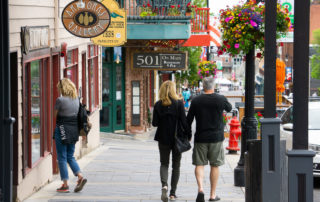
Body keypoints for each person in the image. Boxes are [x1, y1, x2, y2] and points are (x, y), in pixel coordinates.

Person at [187, 77, 232, 202]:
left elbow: (189, 119)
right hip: (216, 138)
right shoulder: (220, 99)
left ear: (203, 86)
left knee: (199, 164)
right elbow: (229, 108)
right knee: (215, 165)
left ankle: (201, 189)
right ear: (213, 86)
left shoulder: (196, 100)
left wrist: (188, 134)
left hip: (201, 137)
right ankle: (212, 195)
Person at [152, 81, 191, 202]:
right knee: (176, 166)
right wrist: (188, 135)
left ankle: (164, 186)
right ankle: (173, 193)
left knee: (164, 163)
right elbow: (184, 123)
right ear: (174, 90)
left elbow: (155, 123)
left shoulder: (158, 105)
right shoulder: (179, 104)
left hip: (163, 138)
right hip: (177, 139)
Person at [54, 78, 87, 193]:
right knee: (70, 156)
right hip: (74, 130)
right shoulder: (77, 100)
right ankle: (80, 176)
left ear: (62, 88)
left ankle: (65, 184)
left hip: (62, 129)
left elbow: (55, 115)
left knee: (62, 157)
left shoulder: (60, 100)